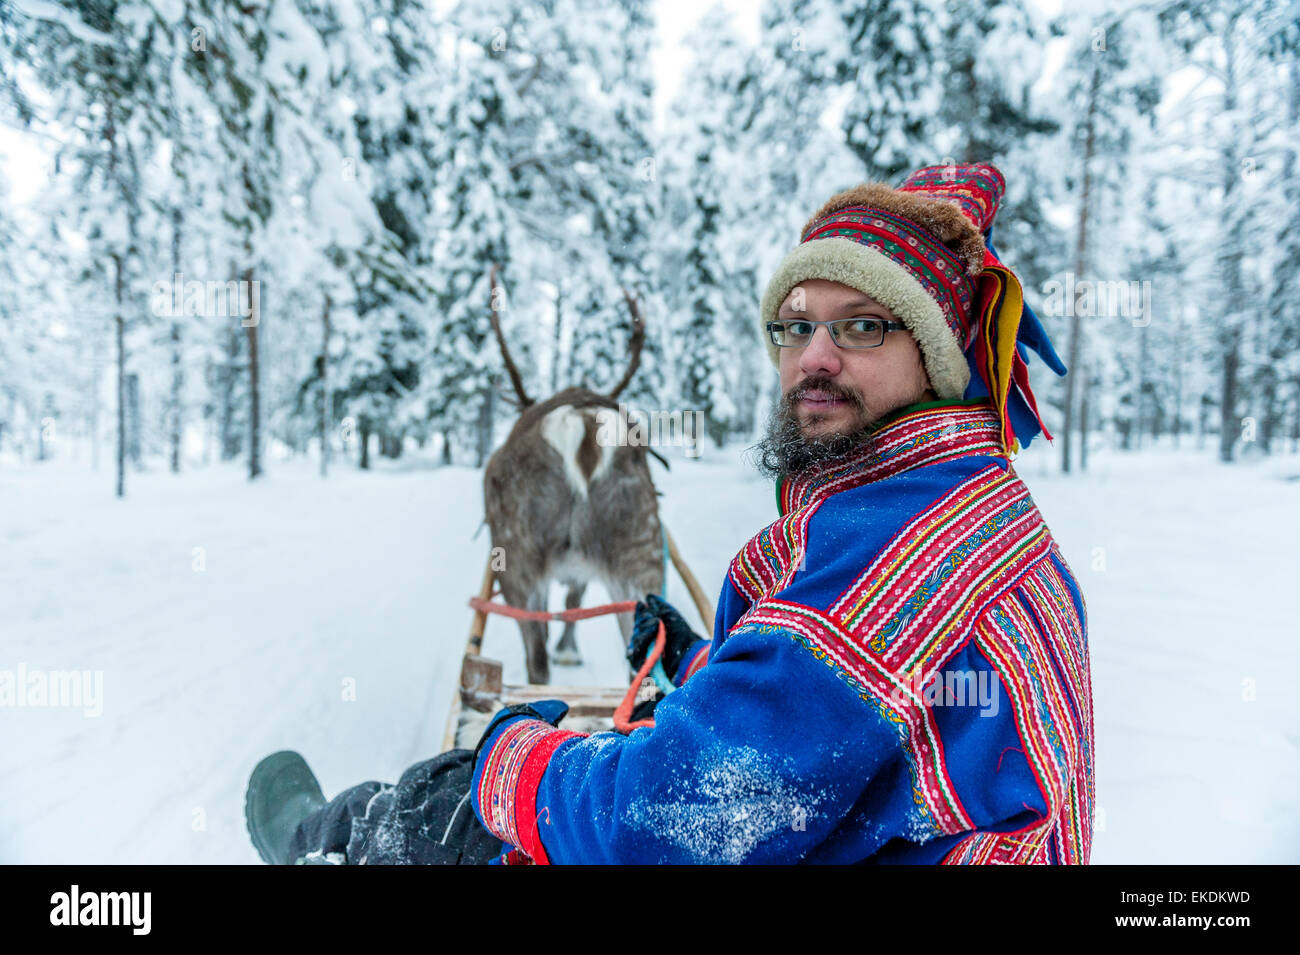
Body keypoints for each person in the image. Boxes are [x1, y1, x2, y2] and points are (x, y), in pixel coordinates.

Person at [246, 161, 1095, 865]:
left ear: (936, 356)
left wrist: (506, 762)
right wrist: (706, 664)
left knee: (466, 811)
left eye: (864, 326)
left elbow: (664, 820)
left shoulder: (897, 554)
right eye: (794, 328)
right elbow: (831, 740)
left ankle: (328, 843)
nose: (816, 357)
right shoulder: (954, 503)